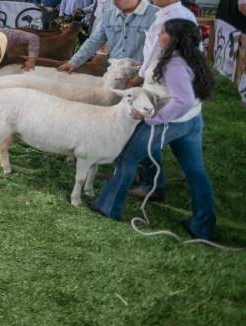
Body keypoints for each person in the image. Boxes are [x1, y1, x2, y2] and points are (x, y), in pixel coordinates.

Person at [92, 20, 216, 240]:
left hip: (168, 122)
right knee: (195, 171)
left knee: (128, 158)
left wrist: (156, 118)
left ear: (175, 38)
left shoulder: (173, 64)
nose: (160, 35)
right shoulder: (189, 57)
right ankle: (203, 225)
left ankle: (108, 206)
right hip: (191, 121)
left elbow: (183, 100)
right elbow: (187, 99)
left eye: (164, 32)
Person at [57, 0, 158, 73]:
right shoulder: (110, 16)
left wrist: (147, 68)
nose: (114, 2)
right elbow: (94, 41)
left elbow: (163, 49)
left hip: (143, 73)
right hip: (115, 72)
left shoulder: (156, 15)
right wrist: (73, 62)